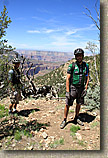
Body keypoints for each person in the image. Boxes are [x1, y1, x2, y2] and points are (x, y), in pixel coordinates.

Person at [60, 48, 89, 129]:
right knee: (68, 104)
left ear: (82, 56)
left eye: (80, 55)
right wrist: (67, 91)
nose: (79, 57)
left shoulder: (86, 66)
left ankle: (76, 117)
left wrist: (86, 88)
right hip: (73, 88)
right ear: (75, 57)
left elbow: (87, 76)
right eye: (77, 56)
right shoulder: (72, 66)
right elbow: (68, 79)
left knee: (79, 103)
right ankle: (64, 120)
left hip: (81, 88)